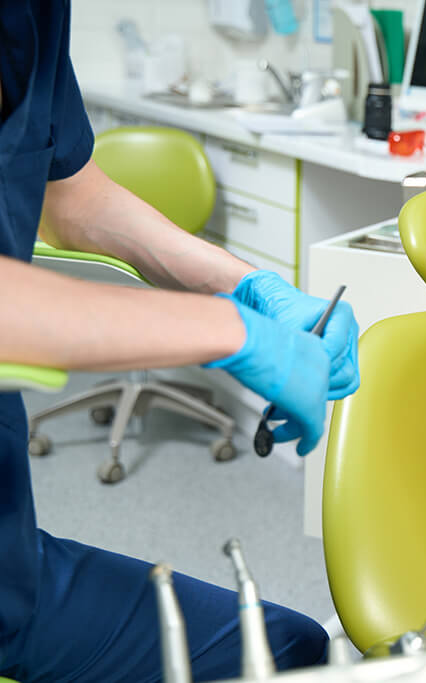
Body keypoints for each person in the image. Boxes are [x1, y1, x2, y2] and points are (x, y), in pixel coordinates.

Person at [0, 2, 359, 681]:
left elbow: (71, 199)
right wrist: (225, 330)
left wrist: (250, 287)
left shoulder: (36, 14)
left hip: (12, 557)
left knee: (290, 649)